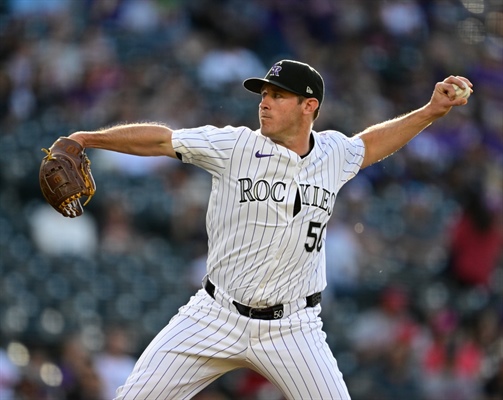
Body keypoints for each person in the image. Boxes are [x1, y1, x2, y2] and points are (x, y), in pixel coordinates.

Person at [66, 60, 472, 399]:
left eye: (277, 95)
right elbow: (161, 140)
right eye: (263, 94)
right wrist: (88, 139)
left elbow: (371, 143)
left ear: (308, 106)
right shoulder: (234, 146)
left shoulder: (334, 153)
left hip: (293, 327)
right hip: (215, 314)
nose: (264, 103)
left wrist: (430, 111)